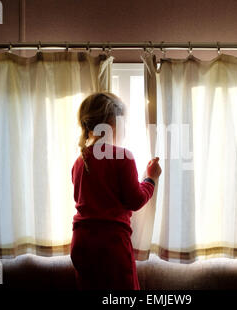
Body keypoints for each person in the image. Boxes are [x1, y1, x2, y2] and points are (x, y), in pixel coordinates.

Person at [70, 92, 162, 290]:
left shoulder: (79, 162)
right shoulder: (122, 156)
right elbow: (135, 200)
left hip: (81, 242)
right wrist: (150, 179)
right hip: (110, 244)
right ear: (113, 123)